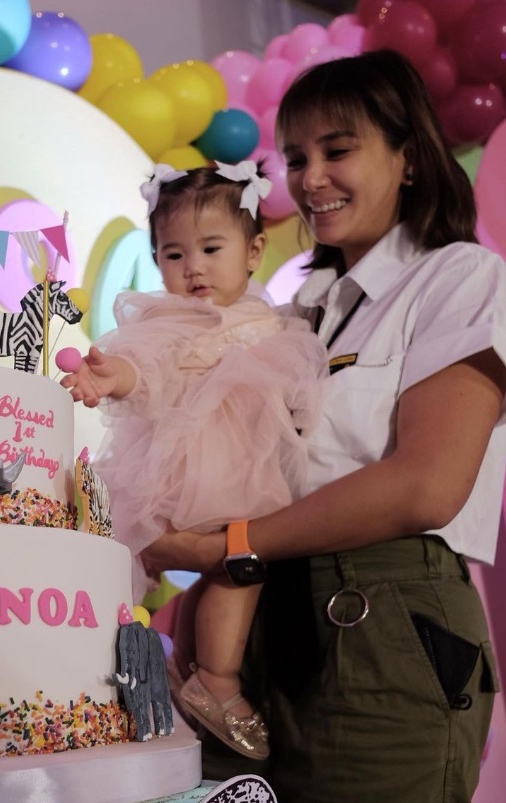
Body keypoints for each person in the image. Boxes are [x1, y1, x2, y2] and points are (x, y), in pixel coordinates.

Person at [140, 48, 506, 802]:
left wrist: (230, 545)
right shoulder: (296, 313)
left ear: (408, 158)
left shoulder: (460, 277)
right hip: (254, 631)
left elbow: (427, 486)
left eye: (339, 150)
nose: (310, 179)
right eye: (296, 157)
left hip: (385, 623)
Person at [61, 160, 328, 760]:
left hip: (242, 465)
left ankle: (187, 669)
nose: (194, 268)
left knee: (224, 570)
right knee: (237, 566)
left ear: (255, 250)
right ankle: (217, 680)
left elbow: (298, 391)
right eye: (173, 255)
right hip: (191, 470)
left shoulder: (272, 322)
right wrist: (113, 378)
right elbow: (147, 367)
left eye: (211, 248)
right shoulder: (171, 319)